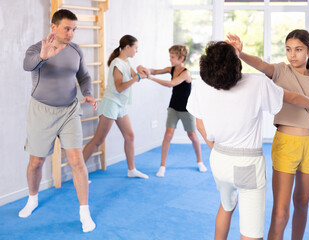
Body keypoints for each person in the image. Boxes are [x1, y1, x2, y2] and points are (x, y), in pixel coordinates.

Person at [186, 41, 309, 240]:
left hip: (218, 159)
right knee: (251, 232)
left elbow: (200, 125)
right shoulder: (256, 83)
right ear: (236, 65)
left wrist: (216, 149)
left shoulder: (200, 84)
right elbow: (291, 98)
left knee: (226, 205)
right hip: (246, 165)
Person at [227, 30, 309, 240]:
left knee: (302, 204)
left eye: (299, 50)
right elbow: (261, 64)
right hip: (286, 144)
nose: (292, 55)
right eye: (289, 49)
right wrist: (241, 54)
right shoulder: (281, 71)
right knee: (281, 212)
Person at [21, 9, 97, 232]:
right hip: (41, 111)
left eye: (74, 29)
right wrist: (43, 57)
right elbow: (28, 65)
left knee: (76, 161)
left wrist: (87, 92)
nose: (72, 33)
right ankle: (32, 199)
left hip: (69, 111)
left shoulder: (75, 50)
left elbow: (83, 76)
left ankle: (85, 213)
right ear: (53, 27)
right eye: (67, 28)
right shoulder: (37, 49)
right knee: (37, 162)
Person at [82, 35, 149, 179]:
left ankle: (131, 170)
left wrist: (141, 71)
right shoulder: (117, 64)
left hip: (121, 105)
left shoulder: (126, 62)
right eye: (135, 47)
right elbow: (119, 87)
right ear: (127, 47)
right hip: (111, 103)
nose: (136, 51)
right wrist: (136, 78)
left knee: (130, 136)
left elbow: (136, 76)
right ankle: (78, 172)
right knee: (98, 140)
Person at [137, 45, 207, 177]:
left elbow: (171, 84)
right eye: (170, 56)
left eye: (173, 57)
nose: (170, 59)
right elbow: (155, 71)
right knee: (168, 135)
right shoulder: (171, 69)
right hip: (173, 107)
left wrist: (150, 78)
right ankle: (162, 166)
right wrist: (144, 69)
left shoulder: (186, 73)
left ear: (181, 58)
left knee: (192, 135)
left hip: (187, 109)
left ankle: (200, 161)